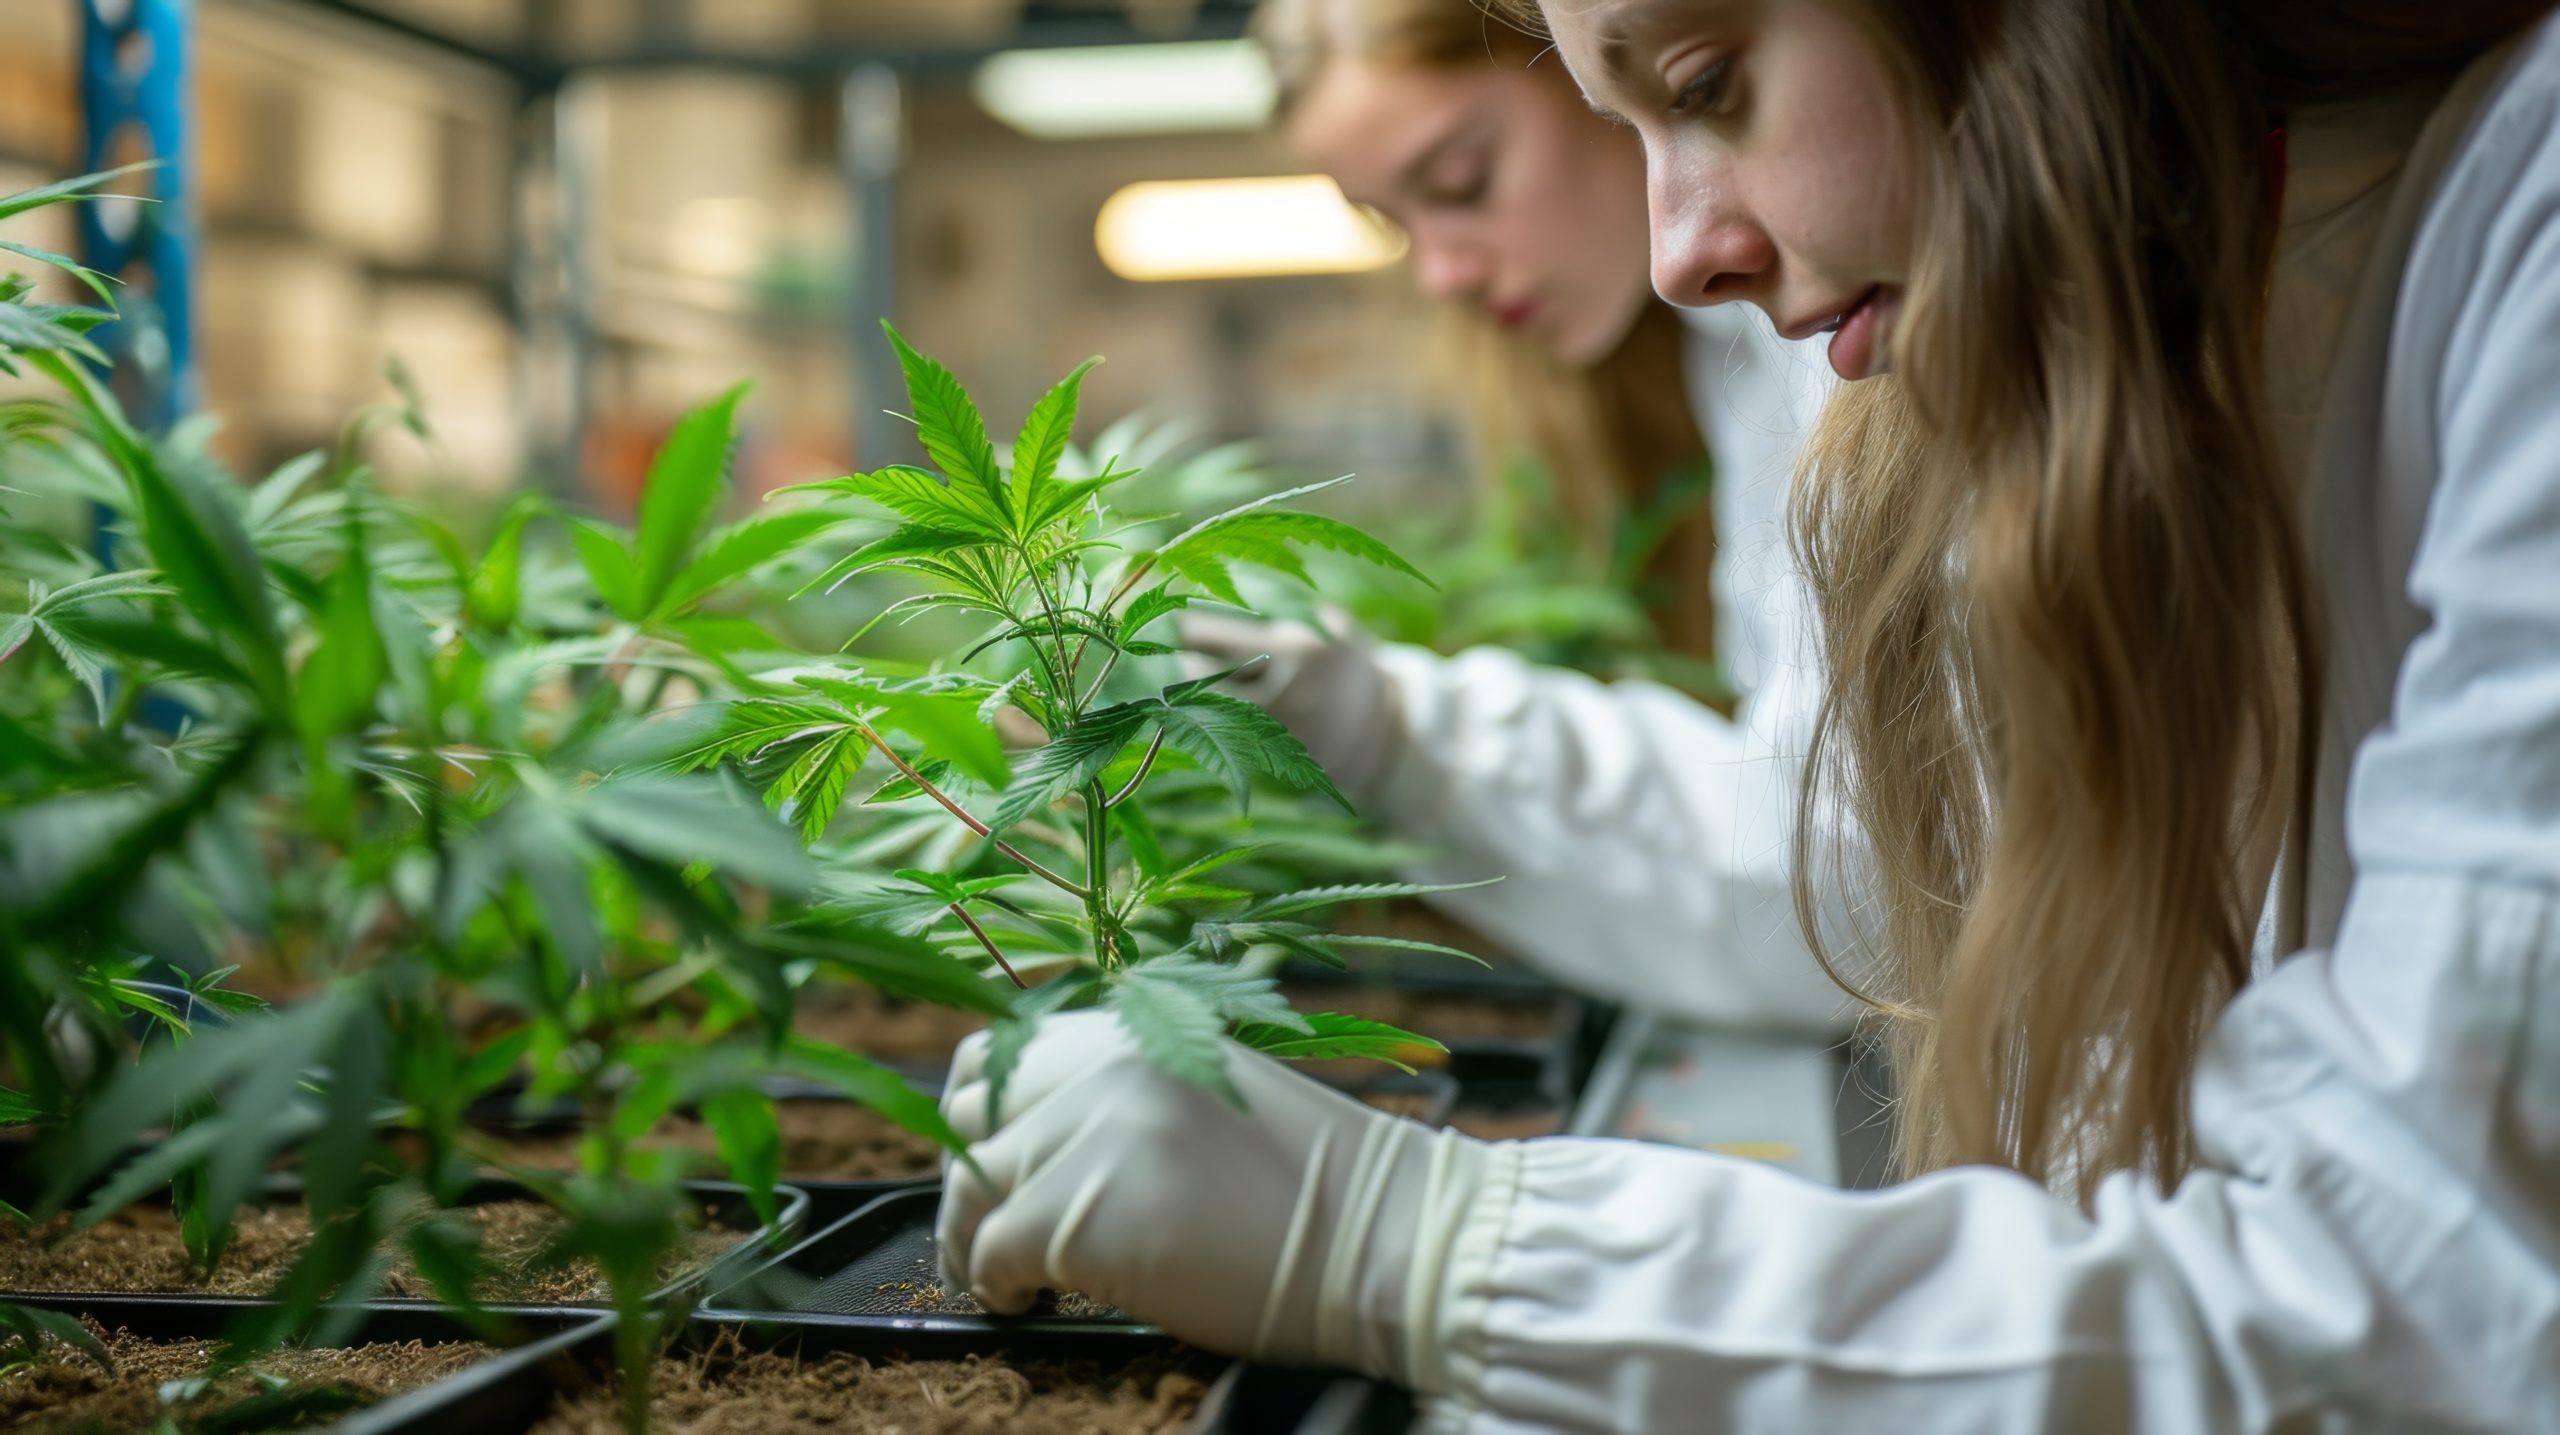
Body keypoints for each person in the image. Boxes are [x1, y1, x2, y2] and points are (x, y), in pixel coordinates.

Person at [940, 0, 2560, 1428]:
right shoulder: (2045, 356)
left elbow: (2416, 1316)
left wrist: (1432, 1248)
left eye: (1708, 82)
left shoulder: (2515, 251)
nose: (1680, 252)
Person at [1204, 0, 1850, 1030]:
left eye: (1461, 183)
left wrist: (1400, 732)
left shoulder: (1847, 337)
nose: (1441, 272)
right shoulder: (1719, 358)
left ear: (1596, 72)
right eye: (1396, 223)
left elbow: (1843, 882)